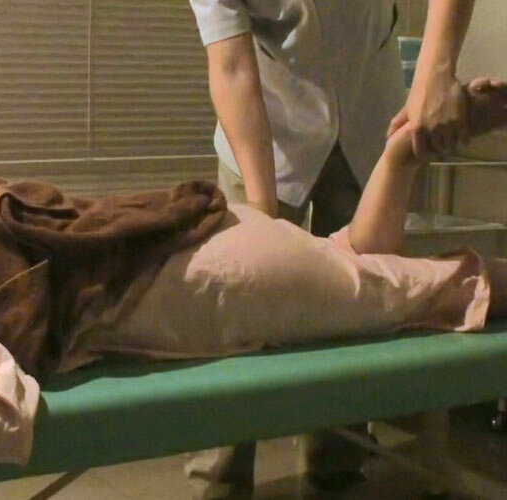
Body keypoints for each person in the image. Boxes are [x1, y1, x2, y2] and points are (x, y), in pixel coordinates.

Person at [0, 79, 505, 476]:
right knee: (358, 272)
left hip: (207, 282)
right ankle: (401, 153)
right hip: (211, 248)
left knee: (405, 292)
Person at [188, 0, 477, 495]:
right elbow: (232, 66)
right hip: (265, 129)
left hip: (369, 114)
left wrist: (436, 68)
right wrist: (261, 215)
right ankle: (218, 484)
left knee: (360, 307)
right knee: (235, 314)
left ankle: (337, 470)